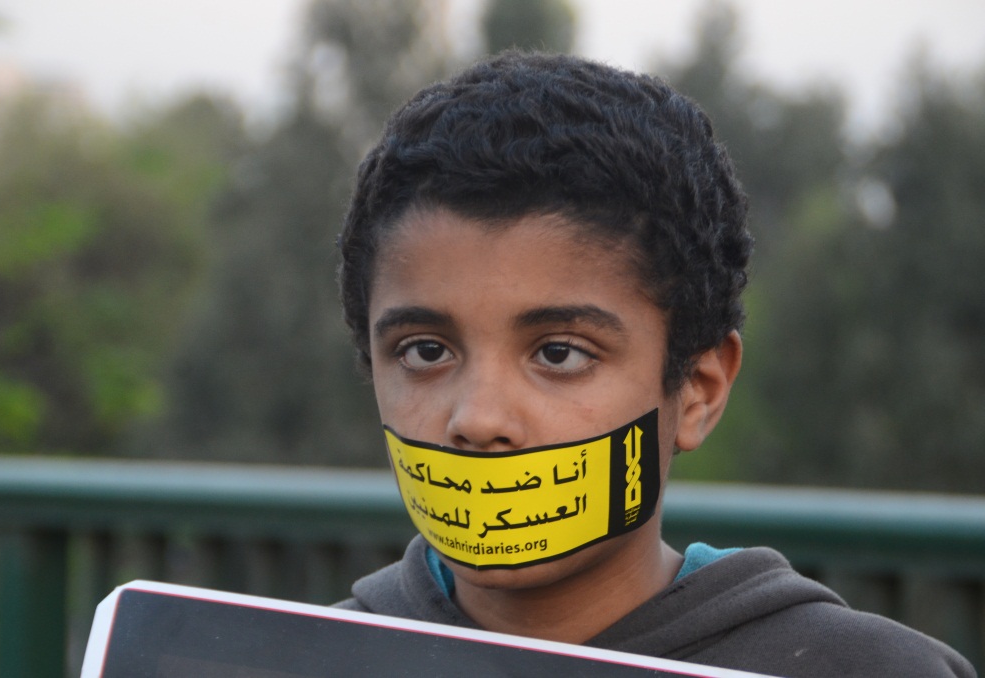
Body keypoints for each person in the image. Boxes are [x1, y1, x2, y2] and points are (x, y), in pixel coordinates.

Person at [333, 52, 974, 677]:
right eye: (425, 351)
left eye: (560, 353)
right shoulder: (297, 654)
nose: (479, 419)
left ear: (698, 390)